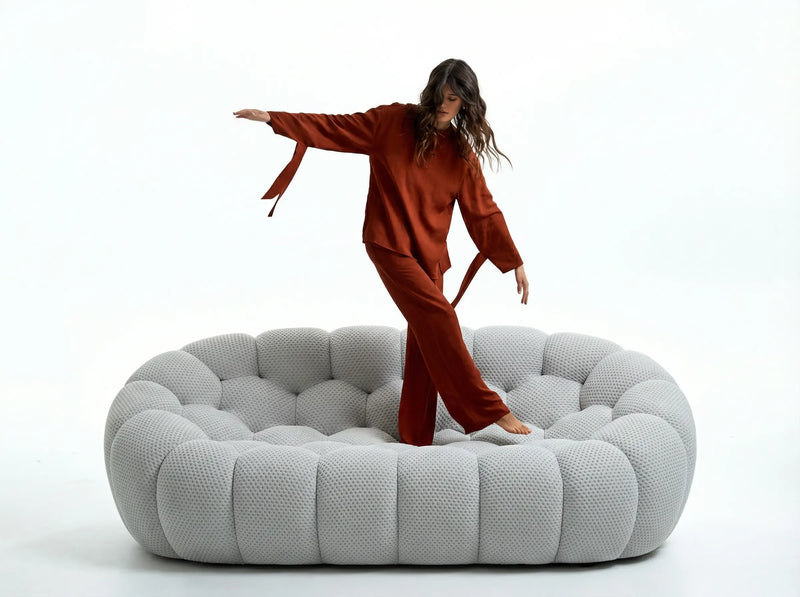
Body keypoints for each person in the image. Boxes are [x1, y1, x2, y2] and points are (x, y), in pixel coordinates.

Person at [233, 58, 532, 445]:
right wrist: (275, 118)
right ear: (430, 93)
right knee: (439, 317)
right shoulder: (391, 123)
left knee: (427, 344)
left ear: (466, 104)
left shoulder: (461, 155)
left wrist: (515, 262)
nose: (444, 105)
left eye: (454, 99)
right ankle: (490, 409)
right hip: (389, 243)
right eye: (440, 96)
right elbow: (335, 127)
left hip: (432, 257)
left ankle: (415, 439)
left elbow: (484, 212)